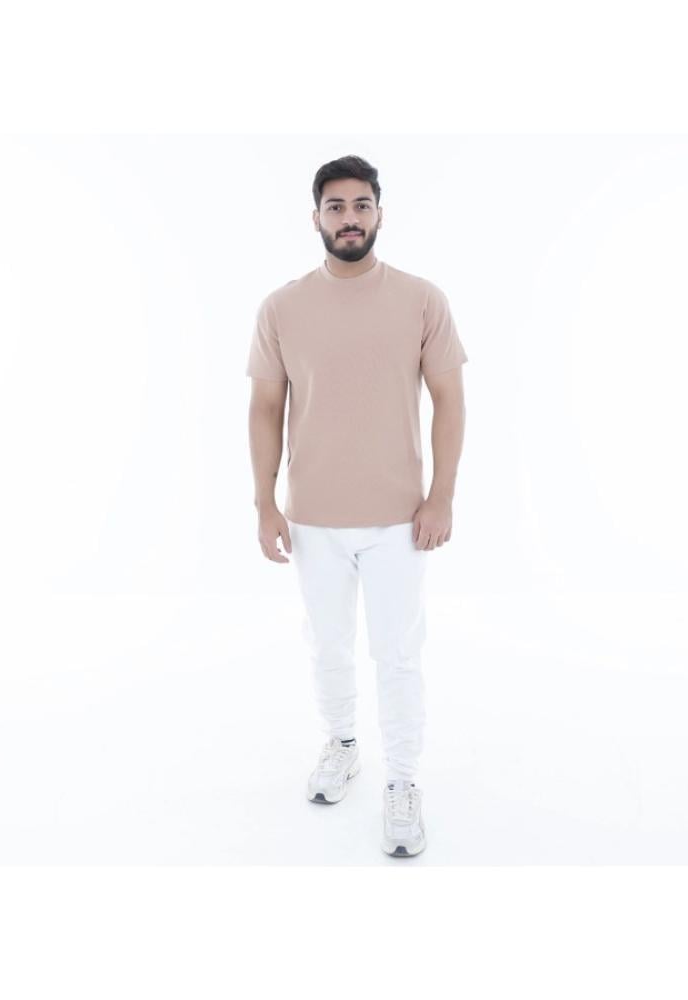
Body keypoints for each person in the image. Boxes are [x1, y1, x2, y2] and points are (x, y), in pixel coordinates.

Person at [246, 154, 468, 858]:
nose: (349, 218)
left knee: (398, 653)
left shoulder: (421, 299)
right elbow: (264, 407)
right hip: (312, 517)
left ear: (379, 213)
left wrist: (441, 496)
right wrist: (264, 503)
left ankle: (401, 780)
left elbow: (450, 400)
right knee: (328, 644)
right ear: (316, 217)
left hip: (399, 518)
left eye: (361, 205)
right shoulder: (282, 307)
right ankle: (341, 744)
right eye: (336, 207)